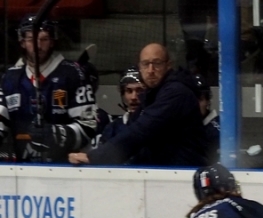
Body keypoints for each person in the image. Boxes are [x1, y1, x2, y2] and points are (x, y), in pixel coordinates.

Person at [68, 43, 208, 167]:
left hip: (181, 175)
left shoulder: (176, 93)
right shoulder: (153, 94)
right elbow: (134, 129)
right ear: (139, 67)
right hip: (164, 172)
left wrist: (95, 157)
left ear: (168, 65)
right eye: (145, 64)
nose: (151, 70)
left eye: (157, 63)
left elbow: (141, 131)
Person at [0, 14, 97, 163]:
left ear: (52, 41)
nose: (37, 45)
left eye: (44, 39)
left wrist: (58, 134)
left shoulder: (73, 74)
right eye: (31, 39)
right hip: (22, 169)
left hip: (65, 168)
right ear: (22, 42)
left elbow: (89, 127)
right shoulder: (10, 78)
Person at [95, 67, 145, 147]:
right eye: (129, 91)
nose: (133, 97)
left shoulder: (158, 125)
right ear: (123, 94)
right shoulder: (113, 128)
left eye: (139, 90)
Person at [194, 74, 220, 163]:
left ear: (208, 101)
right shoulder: (182, 126)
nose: (195, 104)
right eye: (191, 98)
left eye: (200, 100)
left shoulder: (216, 130)